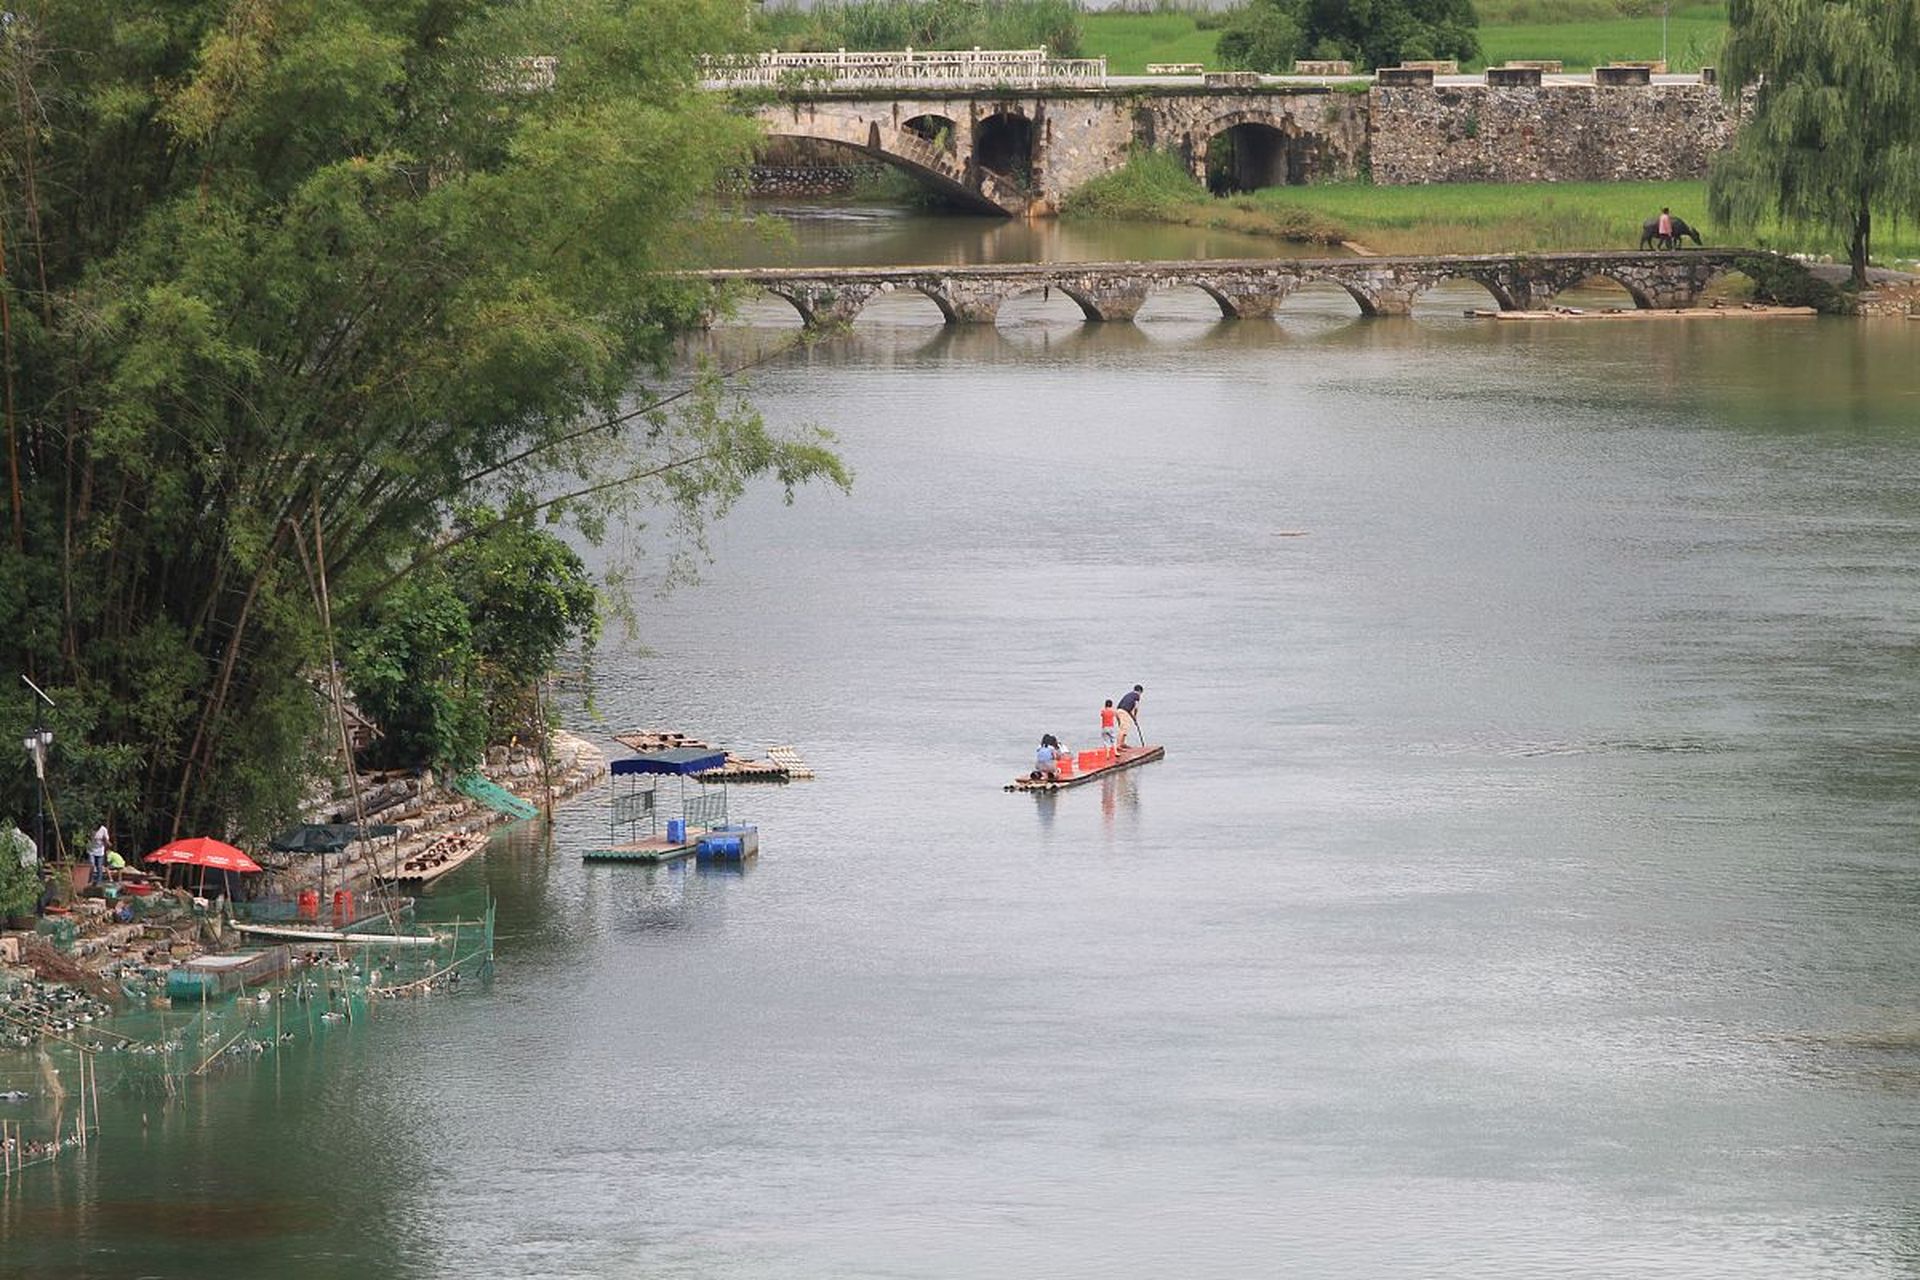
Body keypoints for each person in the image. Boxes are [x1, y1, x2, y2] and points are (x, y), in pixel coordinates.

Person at [1115, 685, 1144, 749]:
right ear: (1139, 691)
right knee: (1124, 728)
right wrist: (1135, 716)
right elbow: (1136, 707)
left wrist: (1133, 718)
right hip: (1123, 712)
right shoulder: (1137, 696)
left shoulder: (1129, 695)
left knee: (1124, 728)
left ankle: (1122, 743)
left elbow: (1129, 710)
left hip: (1118, 711)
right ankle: (1118, 745)